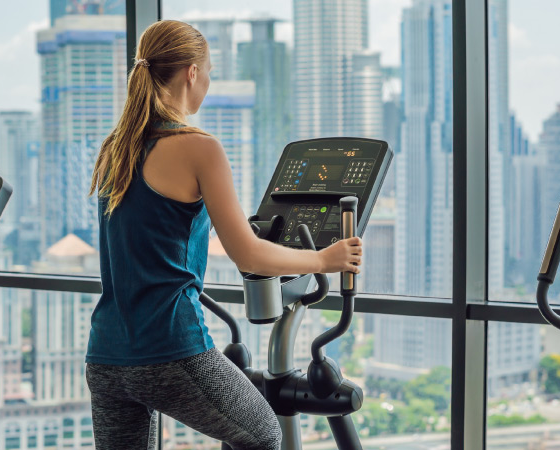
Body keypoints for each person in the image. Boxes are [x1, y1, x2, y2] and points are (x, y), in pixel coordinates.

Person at [85, 20, 363, 449]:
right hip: (172, 349)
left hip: (105, 356)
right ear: (191, 73)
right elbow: (248, 255)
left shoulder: (114, 149)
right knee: (264, 434)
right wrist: (325, 260)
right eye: (209, 71)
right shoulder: (199, 148)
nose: (209, 82)